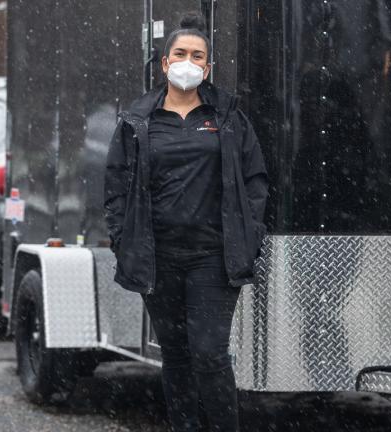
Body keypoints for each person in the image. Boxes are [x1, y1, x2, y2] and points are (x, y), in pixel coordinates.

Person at [103, 12, 268, 432]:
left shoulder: (228, 116)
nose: (188, 62)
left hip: (213, 258)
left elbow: (255, 181)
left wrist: (249, 237)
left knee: (210, 354)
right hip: (158, 257)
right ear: (164, 62)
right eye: (180, 53)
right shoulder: (138, 120)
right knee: (176, 356)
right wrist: (123, 240)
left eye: (198, 56)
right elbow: (117, 186)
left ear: (208, 67)